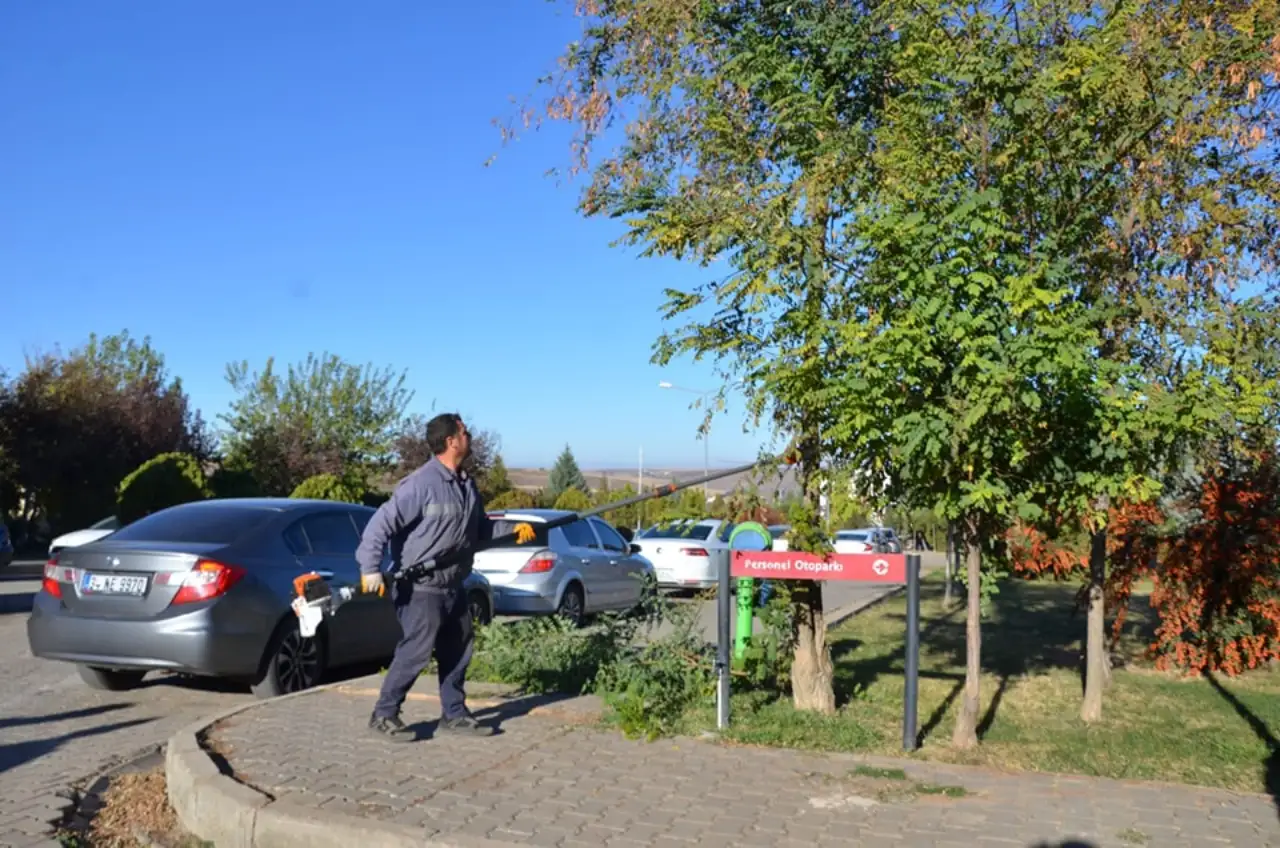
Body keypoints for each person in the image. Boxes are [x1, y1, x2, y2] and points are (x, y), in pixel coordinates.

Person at [355, 412, 535, 742]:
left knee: (458, 650)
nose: (470, 438)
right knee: (416, 652)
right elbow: (379, 526)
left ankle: (454, 714)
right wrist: (370, 569)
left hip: (454, 585)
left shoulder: (467, 485)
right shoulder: (421, 484)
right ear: (451, 441)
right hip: (420, 587)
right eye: (465, 433)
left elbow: (480, 528)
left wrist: (512, 530)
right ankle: (384, 714)